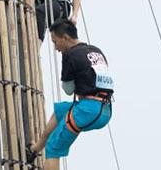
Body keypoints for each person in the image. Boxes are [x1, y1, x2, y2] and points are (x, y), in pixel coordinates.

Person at [27, 19, 114, 168]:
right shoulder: (95, 50)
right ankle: (34, 149)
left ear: (65, 38)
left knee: (54, 148)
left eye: (55, 42)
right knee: (60, 110)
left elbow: (68, 90)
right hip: (105, 109)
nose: (56, 48)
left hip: (87, 110)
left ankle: (43, 150)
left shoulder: (70, 55)